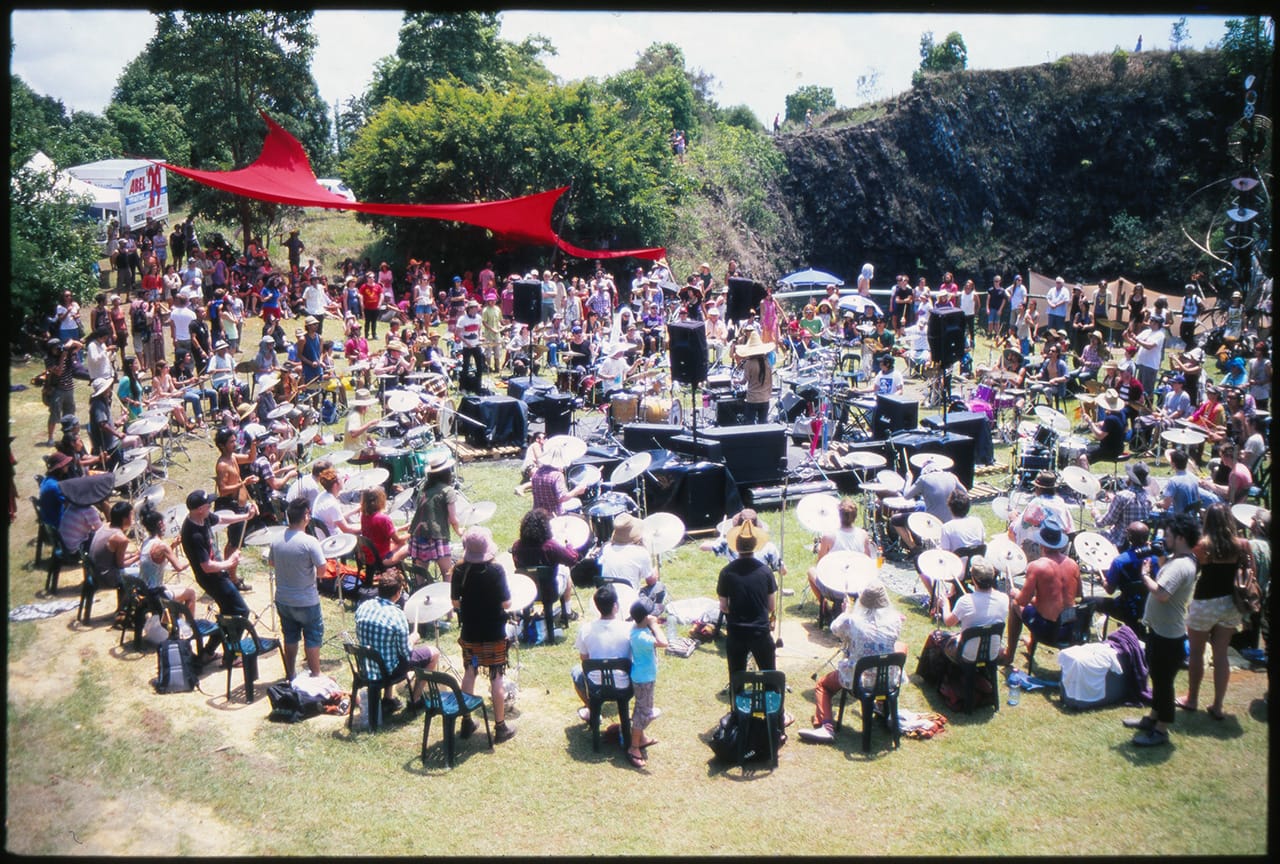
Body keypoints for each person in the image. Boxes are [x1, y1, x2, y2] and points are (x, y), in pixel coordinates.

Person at [1122, 513, 1201, 747]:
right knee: (1157, 678)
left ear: (1180, 537)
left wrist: (1145, 574)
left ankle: (1161, 730)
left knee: (1164, 684)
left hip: (1169, 636)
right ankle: (1153, 718)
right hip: (1162, 631)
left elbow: (1162, 594)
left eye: (1167, 535)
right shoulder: (1180, 560)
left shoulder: (1181, 565)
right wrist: (1160, 560)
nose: (1164, 539)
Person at [798, 579, 906, 744]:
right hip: (889, 679)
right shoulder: (895, 621)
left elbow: (835, 629)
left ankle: (826, 727)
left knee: (823, 685)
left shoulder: (852, 621)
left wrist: (846, 612)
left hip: (860, 680)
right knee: (898, 648)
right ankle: (883, 705)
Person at [1179, 504, 1253, 720]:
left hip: (1205, 603)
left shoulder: (1202, 545)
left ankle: (1192, 699)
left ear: (1207, 521)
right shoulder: (1243, 545)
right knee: (1221, 655)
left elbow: (1192, 573)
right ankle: (1218, 705)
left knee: (1196, 653)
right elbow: (1250, 575)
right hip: (1230, 604)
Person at [450, 528, 517, 742]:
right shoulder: (496, 571)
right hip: (494, 633)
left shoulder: (458, 571)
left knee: (470, 672)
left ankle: (467, 721)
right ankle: (500, 727)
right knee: (497, 676)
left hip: (470, 632)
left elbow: (455, 603)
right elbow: (507, 603)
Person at [999, 514, 1082, 669]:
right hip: (1072, 628)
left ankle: (1009, 655)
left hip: (1050, 630)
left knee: (1014, 604)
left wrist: (1016, 593)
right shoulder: (1073, 564)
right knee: (1036, 605)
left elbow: (1022, 601)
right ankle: (1030, 643)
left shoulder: (1037, 566)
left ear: (1042, 544)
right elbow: (1079, 596)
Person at [354, 568, 439, 717]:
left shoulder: (363, 607)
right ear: (398, 593)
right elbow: (405, 653)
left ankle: (388, 699)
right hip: (387, 671)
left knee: (387, 650)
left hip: (366, 666)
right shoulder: (397, 615)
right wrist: (413, 638)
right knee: (433, 653)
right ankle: (416, 699)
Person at [269, 498, 326, 680]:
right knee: (312, 636)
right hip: (306, 600)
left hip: (283, 599)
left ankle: (290, 673)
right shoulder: (309, 542)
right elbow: (322, 570)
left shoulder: (276, 540)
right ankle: (315, 673)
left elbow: (271, 562)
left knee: (290, 636)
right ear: (306, 516)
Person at [716, 519, 778, 675]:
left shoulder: (726, 572)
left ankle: (737, 695)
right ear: (755, 545)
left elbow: (723, 607)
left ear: (736, 546)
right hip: (760, 633)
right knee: (769, 676)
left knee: (736, 678)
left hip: (736, 634)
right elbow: (771, 607)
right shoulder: (766, 571)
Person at [181, 489, 253, 618]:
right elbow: (207, 566)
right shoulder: (194, 534)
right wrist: (229, 562)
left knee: (228, 612)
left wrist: (245, 516)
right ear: (200, 509)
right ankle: (231, 638)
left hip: (218, 575)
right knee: (241, 612)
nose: (210, 506)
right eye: (208, 504)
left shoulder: (203, 517)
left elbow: (221, 519)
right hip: (211, 580)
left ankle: (220, 637)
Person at [510, 507, 580, 632]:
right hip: (550, 591)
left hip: (527, 591)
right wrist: (569, 545)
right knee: (565, 571)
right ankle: (567, 612)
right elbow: (572, 559)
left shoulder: (517, 546)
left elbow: (518, 566)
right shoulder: (550, 546)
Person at [571, 584, 633, 717]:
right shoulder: (629, 629)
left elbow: (584, 658)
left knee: (576, 671)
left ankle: (591, 708)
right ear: (615, 606)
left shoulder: (585, 629)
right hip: (625, 684)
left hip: (595, 685)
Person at [1089, 521, 1159, 637]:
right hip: (1149, 606)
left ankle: (1081, 635)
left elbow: (1110, 590)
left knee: (1087, 601)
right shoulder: (1157, 558)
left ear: (1129, 537)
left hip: (1125, 608)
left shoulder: (1120, 561)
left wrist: (1103, 579)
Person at [806, 498, 875, 616]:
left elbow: (820, 564)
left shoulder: (829, 536)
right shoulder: (863, 535)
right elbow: (867, 561)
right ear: (855, 516)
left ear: (839, 516)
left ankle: (824, 607)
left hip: (834, 589)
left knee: (811, 571)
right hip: (857, 587)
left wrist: (821, 550)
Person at [937, 556, 1010, 662]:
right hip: (992, 653)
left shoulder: (965, 601)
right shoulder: (1004, 598)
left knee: (937, 637)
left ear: (973, 579)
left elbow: (949, 622)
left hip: (967, 655)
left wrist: (945, 605)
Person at [407, 453, 462, 583]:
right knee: (447, 572)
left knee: (420, 572)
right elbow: (453, 518)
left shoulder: (423, 489)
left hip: (418, 533)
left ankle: (419, 590)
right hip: (437, 535)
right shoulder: (448, 491)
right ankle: (447, 597)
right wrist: (460, 531)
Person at [135, 503, 197, 616]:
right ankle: (190, 627)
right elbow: (179, 568)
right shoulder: (162, 546)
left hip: (144, 590)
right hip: (155, 594)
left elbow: (156, 559)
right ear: (160, 524)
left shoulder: (146, 542)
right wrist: (194, 560)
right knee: (191, 593)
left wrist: (173, 546)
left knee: (181, 589)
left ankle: (176, 620)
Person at [626, 597, 667, 768]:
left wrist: (650, 624)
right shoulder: (641, 636)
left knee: (642, 709)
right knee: (643, 713)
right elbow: (664, 642)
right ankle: (634, 747)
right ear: (645, 618)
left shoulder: (638, 629)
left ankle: (641, 738)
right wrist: (655, 625)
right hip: (644, 680)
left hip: (644, 677)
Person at [891, 460, 962, 554]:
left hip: (932, 521)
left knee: (895, 519)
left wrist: (909, 479)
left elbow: (906, 496)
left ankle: (914, 548)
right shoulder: (952, 476)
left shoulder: (923, 479)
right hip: (951, 519)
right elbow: (964, 493)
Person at [1093, 462, 1154, 547]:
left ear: (1131, 478)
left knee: (1094, 537)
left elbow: (1106, 521)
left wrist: (1096, 515)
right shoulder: (1149, 497)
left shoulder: (1122, 496)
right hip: (1140, 541)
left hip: (1121, 540)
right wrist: (1114, 499)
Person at [530, 438, 589, 516]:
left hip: (538, 514)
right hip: (554, 514)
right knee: (577, 503)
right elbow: (562, 498)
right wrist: (577, 490)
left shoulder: (536, 473)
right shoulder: (557, 475)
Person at [89, 501, 140, 591]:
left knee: (137, 565)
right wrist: (138, 557)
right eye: (131, 516)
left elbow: (112, 558)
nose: (132, 519)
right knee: (145, 573)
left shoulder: (105, 526)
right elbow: (121, 565)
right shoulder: (121, 539)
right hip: (107, 578)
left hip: (95, 572)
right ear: (124, 519)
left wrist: (134, 555)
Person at [360, 487, 409, 572]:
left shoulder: (364, 516)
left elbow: (380, 532)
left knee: (399, 544)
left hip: (369, 557)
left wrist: (402, 528)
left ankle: (398, 571)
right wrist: (411, 533)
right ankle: (404, 574)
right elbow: (398, 540)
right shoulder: (383, 519)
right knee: (411, 546)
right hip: (382, 559)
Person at [1081, 389, 1128, 468]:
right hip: (1119, 447)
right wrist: (1102, 424)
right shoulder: (1122, 413)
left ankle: (1087, 479)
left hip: (1109, 450)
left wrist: (1090, 422)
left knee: (1082, 458)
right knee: (1084, 448)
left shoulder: (1110, 419)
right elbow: (1125, 428)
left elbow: (1099, 436)